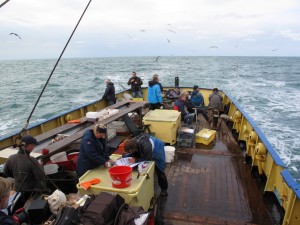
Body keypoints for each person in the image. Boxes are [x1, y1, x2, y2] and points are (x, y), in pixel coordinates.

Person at [3, 135, 46, 203]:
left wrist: (17, 174)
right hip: (32, 192)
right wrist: (41, 167)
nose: (33, 147)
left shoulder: (10, 158)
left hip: (18, 192)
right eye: (33, 145)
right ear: (28, 146)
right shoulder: (32, 160)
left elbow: (6, 173)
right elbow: (41, 177)